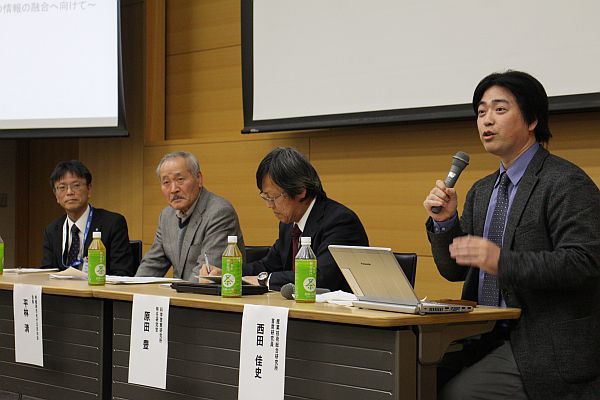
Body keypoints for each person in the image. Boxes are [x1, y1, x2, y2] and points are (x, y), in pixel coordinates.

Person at [423, 70, 600, 399]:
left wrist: (502, 261)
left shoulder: (565, 182)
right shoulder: (481, 190)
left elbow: (584, 263)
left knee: (461, 393)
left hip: (543, 341)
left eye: (500, 109)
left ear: (532, 120)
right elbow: (453, 270)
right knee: (412, 379)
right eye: (481, 112)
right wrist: (445, 224)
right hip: (481, 332)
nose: (487, 120)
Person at [202, 147, 369, 291]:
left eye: (273, 197)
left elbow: (319, 278)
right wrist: (228, 273)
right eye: (265, 197)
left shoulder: (340, 222)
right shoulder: (289, 225)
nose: (269, 205)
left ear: (300, 191)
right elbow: (268, 265)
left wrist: (265, 280)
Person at [136, 151, 245, 280]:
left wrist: (176, 291)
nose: (173, 189)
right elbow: (152, 264)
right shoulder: (166, 216)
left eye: (180, 179)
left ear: (199, 179)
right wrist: (134, 288)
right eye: (166, 182)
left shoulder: (219, 213)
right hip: (180, 291)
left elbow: (206, 274)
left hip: (207, 292)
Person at [42, 160, 133, 276]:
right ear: (56, 196)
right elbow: (47, 273)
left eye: (76, 185)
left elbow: (122, 273)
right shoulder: (52, 231)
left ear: (89, 189)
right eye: (62, 187)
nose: (69, 192)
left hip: (98, 287)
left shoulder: (112, 223)